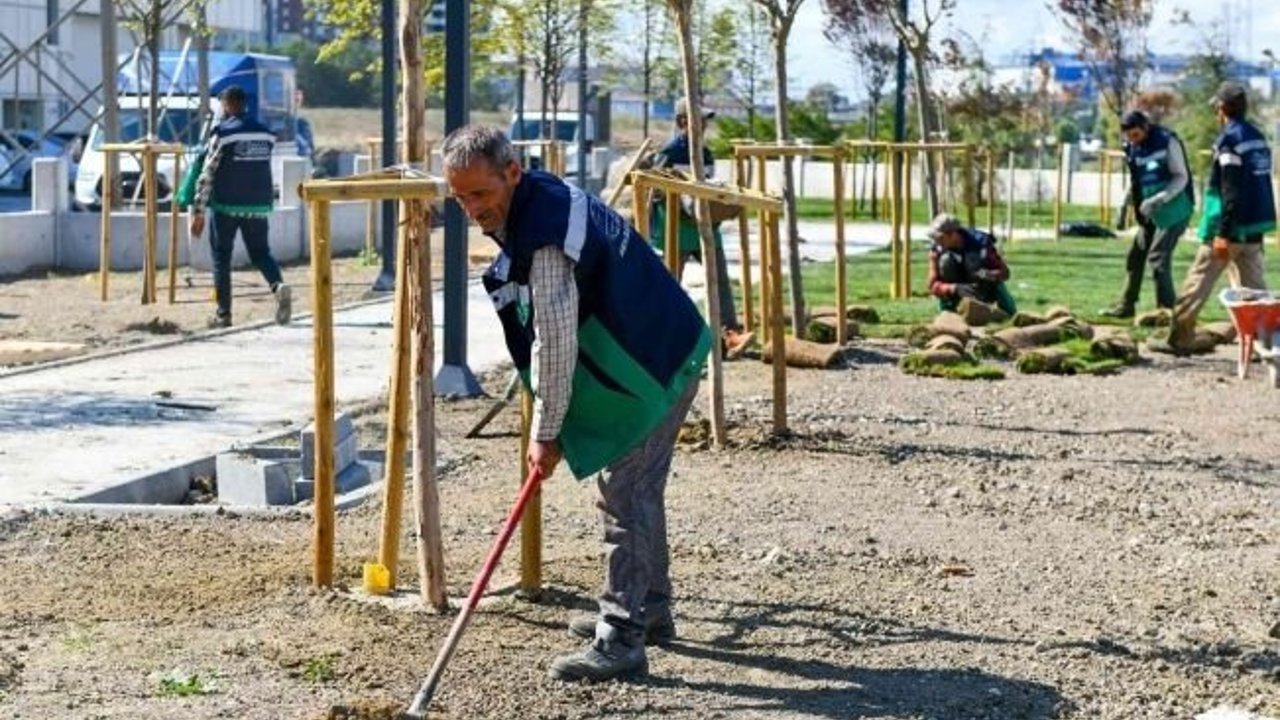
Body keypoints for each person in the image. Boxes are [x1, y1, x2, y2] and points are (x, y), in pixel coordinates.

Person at [442, 125, 711, 683]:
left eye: (480, 194)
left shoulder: (542, 233)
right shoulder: (539, 199)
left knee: (626, 496)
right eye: (460, 197)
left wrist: (547, 430)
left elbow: (556, 339)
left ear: (512, 173)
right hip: (663, 346)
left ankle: (622, 637)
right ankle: (650, 609)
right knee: (638, 491)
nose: (471, 209)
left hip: (657, 360)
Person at [1166, 81, 1275, 352]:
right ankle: (1267, 344)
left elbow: (1231, 190)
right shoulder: (1257, 137)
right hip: (1254, 228)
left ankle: (1180, 338)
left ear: (1223, 108)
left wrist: (1223, 233)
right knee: (1256, 294)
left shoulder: (1229, 141)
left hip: (1229, 228)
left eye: (1217, 105)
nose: (1216, 110)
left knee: (1197, 284)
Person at [649, 97, 753, 356]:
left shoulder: (705, 153)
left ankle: (729, 334)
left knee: (719, 279)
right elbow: (655, 190)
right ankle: (663, 336)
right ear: (683, 121)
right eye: (699, 120)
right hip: (676, 229)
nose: (704, 125)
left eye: (705, 120)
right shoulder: (670, 153)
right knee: (670, 284)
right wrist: (677, 193)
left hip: (706, 226)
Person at [185, 85, 291, 329]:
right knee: (261, 253)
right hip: (257, 206)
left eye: (223, 104)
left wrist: (198, 211)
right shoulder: (265, 134)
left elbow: (207, 173)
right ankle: (277, 285)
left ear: (229, 104)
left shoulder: (222, 133)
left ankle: (224, 315)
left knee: (221, 258)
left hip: (226, 207)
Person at [1099, 109, 1194, 318]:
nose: (1132, 140)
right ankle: (1126, 305)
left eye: (1135, 135)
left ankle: (1166, 313)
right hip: (1150, 211)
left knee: (1158, 257)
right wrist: (1126, 206)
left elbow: (1181, 177)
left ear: (1146, 128)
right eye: (1128, 136)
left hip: (1175, 208)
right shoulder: (1132, 148)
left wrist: (1159, 198)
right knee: (1136, 255)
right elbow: (1136, 181)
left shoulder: (1167, 141)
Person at [926, 212, 1017, 316]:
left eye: (940, 238)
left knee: (973, 260)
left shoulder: (981, 243)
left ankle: (1008, 312)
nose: (937, 242)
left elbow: (1005, 273)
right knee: (946, 261)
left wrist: (989, 274)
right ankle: (949, 311)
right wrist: (952, 288)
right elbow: (932, 286)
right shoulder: (937, 251)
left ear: (953, 234)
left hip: (982, 290)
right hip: (955, 294)